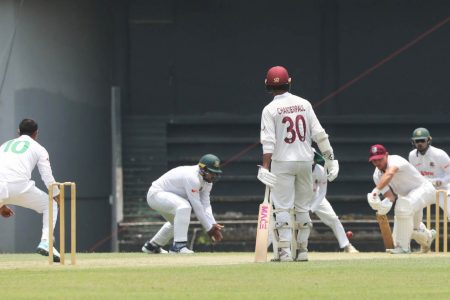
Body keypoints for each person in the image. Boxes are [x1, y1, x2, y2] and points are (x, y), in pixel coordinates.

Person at [257, 66, 339, 262]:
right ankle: (302, 251)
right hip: (305, 161)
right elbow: (320, 135)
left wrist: (265, 167)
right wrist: (330, 160)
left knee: (283, 208)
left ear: (267, 85)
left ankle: (284, 253)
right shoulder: (304, 104)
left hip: (281, 162)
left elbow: (268, 142)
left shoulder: (269, 109)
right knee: (302, 207)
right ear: (290, 81)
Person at [0, 118, 61, 261]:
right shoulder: (39, 148)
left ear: (18, 132)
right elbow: (47, 177)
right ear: (36, 133)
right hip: (20, 186)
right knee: (50, 204)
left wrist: (1, 205)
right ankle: (46, 242)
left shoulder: (4, 146)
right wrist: (56, 194)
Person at [141, 154, 224, 254]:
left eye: (215, 173)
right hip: (156, 194)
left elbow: (205, 204)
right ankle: (178, 247)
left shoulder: (207, 182)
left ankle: (152, 246)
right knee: (184, 207)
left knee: (178, 222)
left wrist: (213, 223)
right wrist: (209, 229)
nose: (214, 176)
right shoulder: (192, 177)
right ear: (203, 169)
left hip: (165, 197)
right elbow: (197, 206)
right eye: (212, 172)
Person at [367, 144, 436, 254]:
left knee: (403, 207)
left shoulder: (395, 160)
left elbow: (390, 173)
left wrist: (375, 191)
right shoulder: (377, 175)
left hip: (424, 190)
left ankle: (403, 248)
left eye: (380, 159)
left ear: (386, 155)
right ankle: (428, 236)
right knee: (412, 229)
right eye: (374, 160)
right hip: (407, 197)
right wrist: (382, 205)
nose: (377, 163)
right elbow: (390, 197)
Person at [310, 151, 358, 253]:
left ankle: (347, 246)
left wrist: (312, 208)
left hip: (317, 197)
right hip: (299, 199)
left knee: (333, 219)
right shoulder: (297, 169)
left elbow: (322, 192)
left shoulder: (321, 170)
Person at [408, 127, 450, 221]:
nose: (420, 143)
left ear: (428, 140)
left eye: (422, 140)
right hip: (425, 189)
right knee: (408, 209)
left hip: (443, 189)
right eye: (417, 141)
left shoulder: (439, 154)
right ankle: (423, 234)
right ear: (413, 142)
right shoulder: (412, 155)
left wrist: (440, 182)